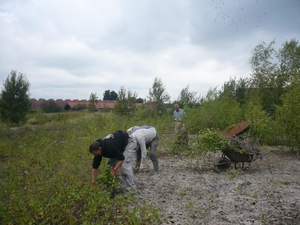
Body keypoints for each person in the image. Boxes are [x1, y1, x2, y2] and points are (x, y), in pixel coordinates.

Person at [89, 130, 138, 195]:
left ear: (99, 148)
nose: (96, 155)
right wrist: (93, 180)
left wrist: (115, 170)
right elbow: (95, 167)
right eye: (94, 154)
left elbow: (121, 158)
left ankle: (132, 191)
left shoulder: (109, 147)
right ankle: (110, 188)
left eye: (96, 153)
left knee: (124, 166)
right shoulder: (98, 151)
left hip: (129, 142)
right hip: (118, 146)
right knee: (109, 167)